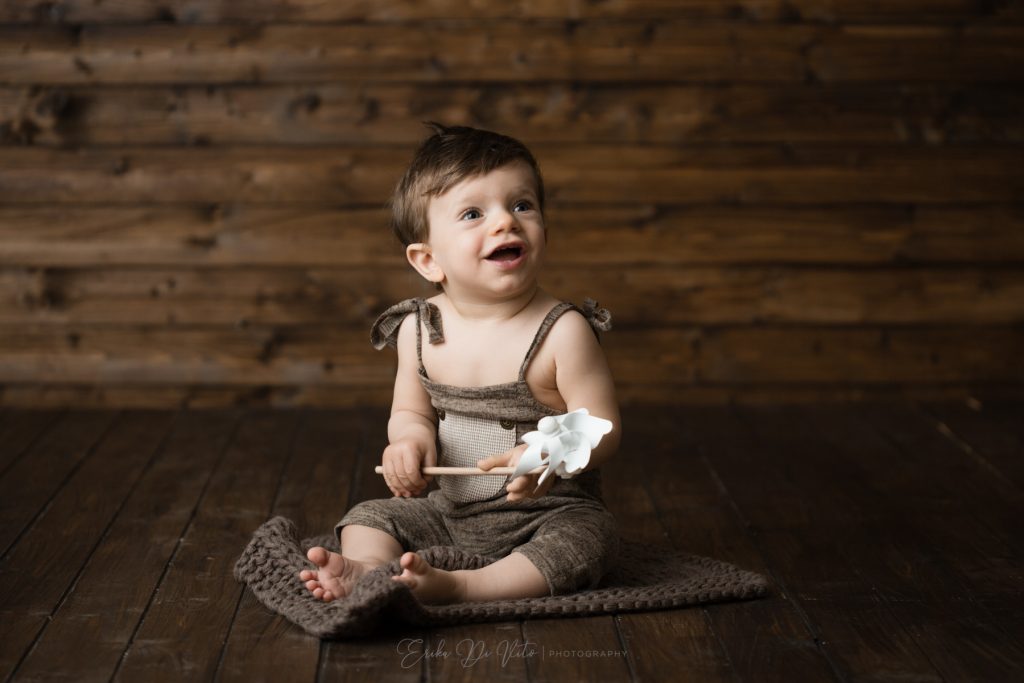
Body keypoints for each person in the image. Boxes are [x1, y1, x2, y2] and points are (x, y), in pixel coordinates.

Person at [299, 123, 620, 605]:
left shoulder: (561, 330)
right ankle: (366, 572)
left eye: (521, 205)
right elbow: (412, 413)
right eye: (473, 213)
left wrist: (548, 454)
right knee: (368, 515)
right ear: (428, 261)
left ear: (544, 231)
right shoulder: (419, 329)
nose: (506, 223)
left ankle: (465, 587)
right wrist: (407, 444)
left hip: (545, 511)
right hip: (449, 511)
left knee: (587, 541)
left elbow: (602, 425)